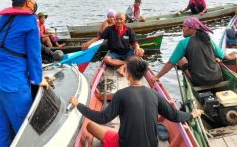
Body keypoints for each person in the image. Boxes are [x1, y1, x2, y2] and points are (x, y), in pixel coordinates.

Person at [69, 58, 202, 147]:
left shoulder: (121, 95)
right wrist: (192, 114)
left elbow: (103, 118)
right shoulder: (154, 94)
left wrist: (78, 105)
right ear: (143, 75)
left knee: (90, 126)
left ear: (127, 74)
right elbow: (175, 116)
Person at [0, 0, 49, 146]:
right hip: (13, 83)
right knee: (24, 129)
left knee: (1, 126)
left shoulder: (3, 19)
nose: (35, 2)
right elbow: (34, 53)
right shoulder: (30, 21)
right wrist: (37, 79)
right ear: (29, 2)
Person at [155, 17, 236, 86]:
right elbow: (224, 56)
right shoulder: (208, 39)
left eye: (184, 27)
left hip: (199, 81)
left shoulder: (183, 43)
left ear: (192, 29)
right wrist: (233, 55)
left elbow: (171, 63)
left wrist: (157, 77)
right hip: (217, 78)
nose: (182, 29)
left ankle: (189, 78)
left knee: (180, 59)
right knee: (215, 58)